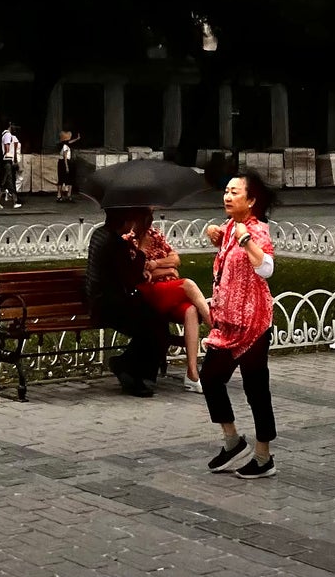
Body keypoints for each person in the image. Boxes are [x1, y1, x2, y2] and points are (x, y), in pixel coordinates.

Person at [200, 170, 279, 479]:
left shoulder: (256, 230)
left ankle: (263, 457)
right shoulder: (230, 226)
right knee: (209, 377)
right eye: (227, 191)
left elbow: (268, 268)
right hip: (229, 324)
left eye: (235, 192)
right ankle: (232, 442)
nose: (228, 196)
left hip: (255, 324)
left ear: (252, 200)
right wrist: (214, 233)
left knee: (256, 388)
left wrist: (246, 241)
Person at [85, 206, 171, 396]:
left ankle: (131, 370)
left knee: (157, 323)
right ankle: (133, 372)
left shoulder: (100, 234)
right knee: (155, 328)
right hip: (110, 305)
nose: (132, 225)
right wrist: (141, 250)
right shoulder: (114, 243)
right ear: (123, 221)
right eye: (131, 220)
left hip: (105, 301)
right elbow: (130, 277)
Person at [134, 217, 212, 386]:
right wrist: (167, 270)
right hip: (151, 293)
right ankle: (216, 328)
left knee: (190, 310)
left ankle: (192, 373)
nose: (149, 221)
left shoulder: (155, 235)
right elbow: (139, 275)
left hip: (170, 290)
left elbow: (175, 259)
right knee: (188, 284)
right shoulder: (129, 241)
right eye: (145, 216)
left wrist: (156, 264)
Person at [0, 122, 23, 209]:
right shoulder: (8, 135)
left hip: (7, 159)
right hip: (8, 159)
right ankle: (15, 201)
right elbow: (9, 147)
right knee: (10, 181)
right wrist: (9, 155)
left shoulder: (4, 135)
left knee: (5, 181)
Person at [56, 129, 76, 203]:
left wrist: (76, 139)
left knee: (62, 179)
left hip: (62, 162)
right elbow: (65, 157)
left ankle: (62, 195)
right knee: (65, 178)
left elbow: (70, 142)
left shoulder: (64, 145)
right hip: (65, 162)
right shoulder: (65, 146)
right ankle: (64, 195)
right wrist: (67, 166)